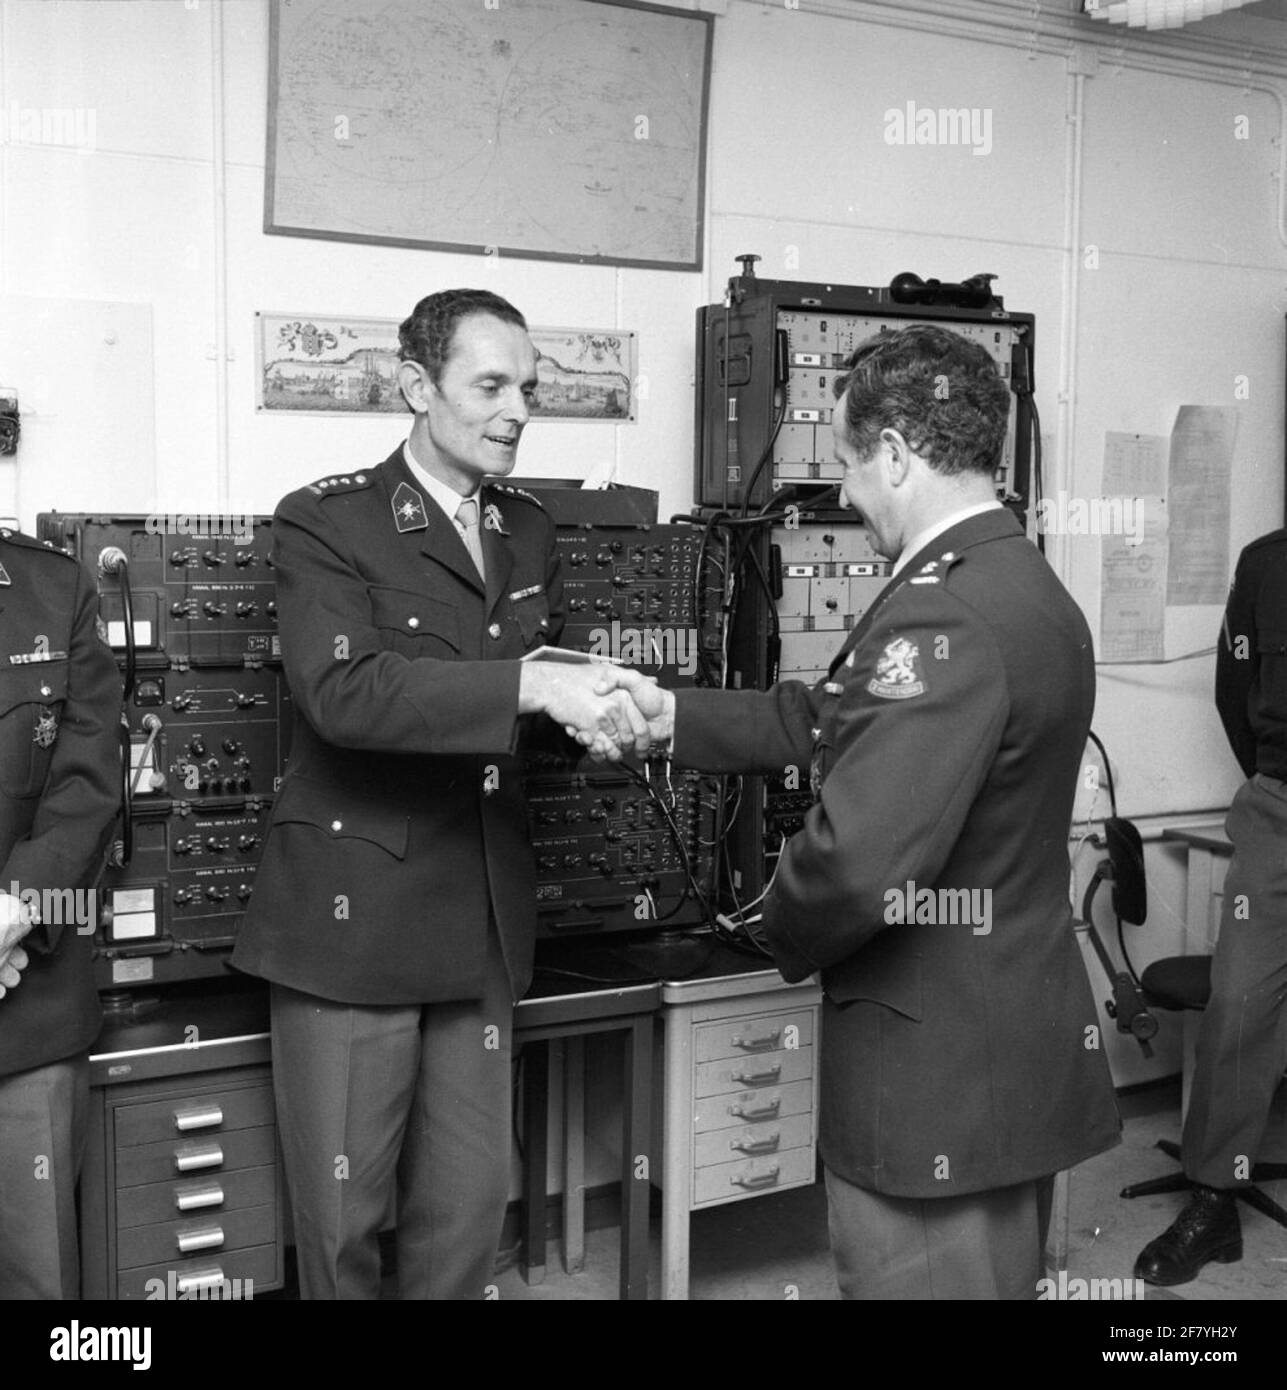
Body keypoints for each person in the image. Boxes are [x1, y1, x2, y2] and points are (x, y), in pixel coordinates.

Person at [624, 324, 1121, 1298]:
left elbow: (857, 864)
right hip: (1004, 1048)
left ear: (895, 453)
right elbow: (836, 716)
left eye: (850, 466)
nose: (844, 497)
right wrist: (669, 717)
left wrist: (762, 924)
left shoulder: (946, 610)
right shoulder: (1023, 585)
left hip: (932, 1076)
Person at [231, 289, 646, 1300]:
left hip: (484, 919)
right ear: (419, 388)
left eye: (529, 389)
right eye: (491, 385)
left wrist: (598, 719)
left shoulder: (532, 530)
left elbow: (545, 690)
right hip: (356, 918)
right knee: (345, 1227)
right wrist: (531, 685)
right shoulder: (327, 521)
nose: (516, 410)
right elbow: (344, 691)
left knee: (465, 1216)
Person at [1134, 530, 1287, 1286]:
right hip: (1277, 815)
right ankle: (1213, 1201)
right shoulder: (1265, 562)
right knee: (1238, 1005)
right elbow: (1234, 694)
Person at [0, 527, 121, 1298]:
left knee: (40, 1274)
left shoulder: (55, 585)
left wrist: (12, 909)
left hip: (29, 1006)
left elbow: (87, 780)